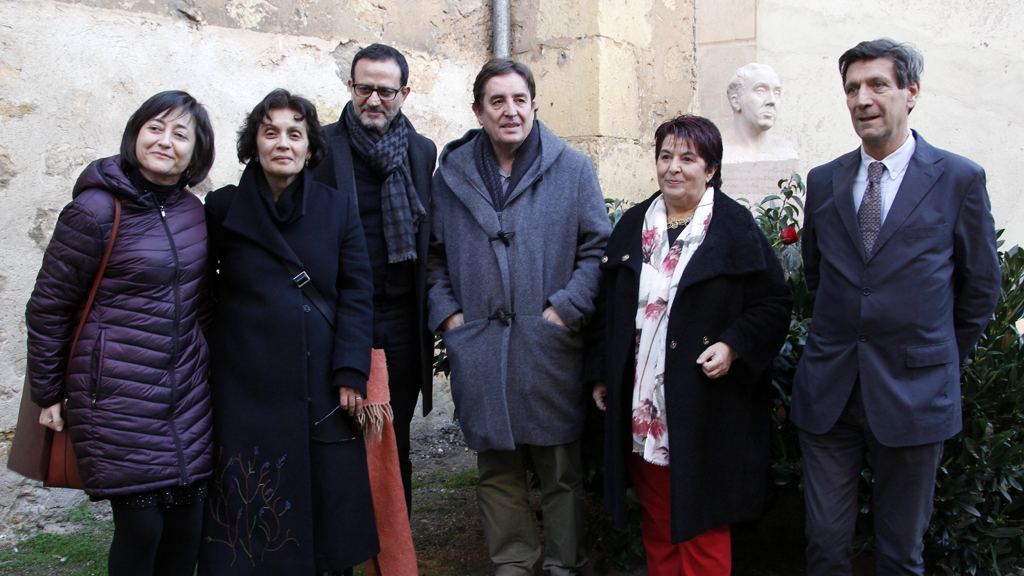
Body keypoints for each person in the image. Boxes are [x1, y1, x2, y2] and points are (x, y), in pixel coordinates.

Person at [791, 38, 1001, 576]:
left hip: (915, 393)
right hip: (830, 393)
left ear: (911, 93)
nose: (863, 99)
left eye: (877, 85)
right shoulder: (824, 181)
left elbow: (979, 289)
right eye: (852, 89)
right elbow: (819, 277)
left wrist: (934, 356)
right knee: (825, 548)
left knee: (900, 555)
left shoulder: (958, 179)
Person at [427, 59, 611, 576]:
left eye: (519, 100)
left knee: (559, 469)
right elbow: (434, 256)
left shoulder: (572, 168)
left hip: (548, 341)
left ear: (534, 104)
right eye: (497, 102)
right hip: (479, 342)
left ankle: (564, 563)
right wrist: (450, 318)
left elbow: (597, 248)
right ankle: (511, 561)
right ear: (478, 112)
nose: (511, 111)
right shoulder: (452, 176)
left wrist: (565, 310)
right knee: (496, 467)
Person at [589, 115, 792, 576]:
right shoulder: (631, 226)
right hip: (644, 404)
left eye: (687, 158)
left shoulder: (735, 226)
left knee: (701, 526)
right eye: (665, 156)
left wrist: (733, 345)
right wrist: (601, 372)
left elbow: (774, 304)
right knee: (659, 522)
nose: (673, 168)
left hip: (704, 407)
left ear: (711, 169)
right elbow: (608, 310)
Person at [26, 90, 216, 576]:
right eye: (156, 127)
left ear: (196, 152)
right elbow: (50, 306)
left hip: (186, 394)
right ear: (136, 133)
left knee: (187, 530)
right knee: (142, 529)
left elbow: (203, 303)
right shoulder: (94, 210)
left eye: (180, 134)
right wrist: (48, 393)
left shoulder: (193, 211)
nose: (165, 141)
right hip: (115, 393)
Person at [198, 89, 378, 575]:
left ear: (310, 147)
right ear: (253, 143)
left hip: (319, 385)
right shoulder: (222, 208)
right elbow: (199, 292)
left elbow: (357, 293)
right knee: (249, 514)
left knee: (325, 517)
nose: (283, 143)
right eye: (270, 131)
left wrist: (349, 370)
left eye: (295, 134)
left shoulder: (337, 209)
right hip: (241, 386)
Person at [312, 43, 437, 513]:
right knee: (339, 433)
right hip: (339, 319)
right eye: (364, 88)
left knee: (393, 436)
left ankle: (394, 548)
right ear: (350, 87)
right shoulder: (320, 147)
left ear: (404, 93)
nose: (374, 100)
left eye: (386, 91)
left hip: (402, 321)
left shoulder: (422, 152)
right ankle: (341, 548)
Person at [721, 63, 797, 163]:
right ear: (736, 101)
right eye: (760, 91)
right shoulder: (714, 150)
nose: (772, 100)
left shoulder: (785, 151)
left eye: (777, 93)